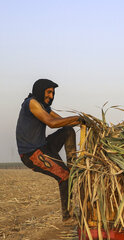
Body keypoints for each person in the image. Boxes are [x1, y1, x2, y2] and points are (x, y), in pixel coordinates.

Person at [16, 79, 81, 221]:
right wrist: (77, 117)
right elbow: (52, 123)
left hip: (43, 146)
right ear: (40, 91)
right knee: (64, 176)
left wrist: (84, 121)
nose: (51, 96)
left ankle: (73, 165)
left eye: (53, 93)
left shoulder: (44, 107)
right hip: (32, 153)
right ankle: (68, 215)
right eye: (49, 92)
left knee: (68, 131)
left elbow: (63, 121)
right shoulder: (32, 103)